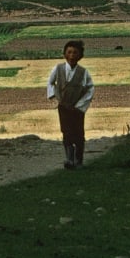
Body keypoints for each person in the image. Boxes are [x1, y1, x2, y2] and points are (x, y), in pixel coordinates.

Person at [46, 39, 93, 168]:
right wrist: (54, 98)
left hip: (77, 108)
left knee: (79, 133)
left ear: (80, 56)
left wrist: (80, 106)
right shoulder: (58, 68)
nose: (72, 55)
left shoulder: (84, 72)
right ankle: (69, 159)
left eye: (75, 53)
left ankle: (79, 160)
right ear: (65, 54)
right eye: (69, 52)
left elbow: (90, 89)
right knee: (66, 132)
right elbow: (50, 83)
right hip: (63, 107)